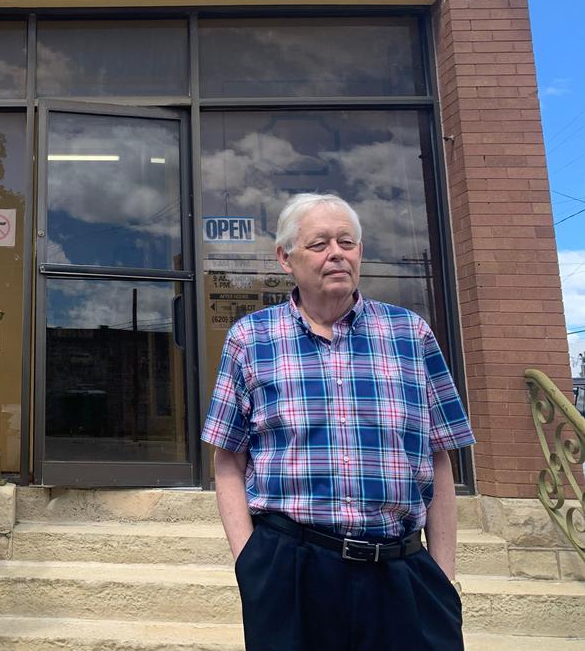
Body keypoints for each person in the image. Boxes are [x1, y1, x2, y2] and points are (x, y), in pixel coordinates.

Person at [201, 193, 475, 651]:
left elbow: (439, 458)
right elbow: (228, 458)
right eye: (320, 243)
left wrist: (443, 577)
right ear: (285, 259)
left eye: (347, 242)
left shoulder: (411, 334)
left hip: (401, 570)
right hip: (291, 571)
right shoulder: (250, 339)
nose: (336, 253)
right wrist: (250, 564)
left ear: (360, 253)